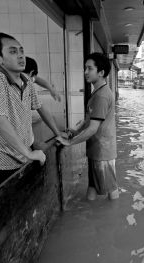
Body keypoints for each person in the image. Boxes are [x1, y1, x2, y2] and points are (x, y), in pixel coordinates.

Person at [0, 32, 66, 189]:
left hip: (24, 153)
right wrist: (29, 154)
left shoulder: (26, 80)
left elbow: (41, 108)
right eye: (13, 52)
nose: (21, 56)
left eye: (21, 51)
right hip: (1, 161)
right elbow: (0, 120)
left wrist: (58, 134)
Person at [56, 53, 118, 200]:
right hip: (96, 149)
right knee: (92, 187)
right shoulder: (97, 93)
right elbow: (89, 121)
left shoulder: (101, 96)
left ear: (101, 73)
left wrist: (70, 142)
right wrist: (76, 131)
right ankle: (91, 215)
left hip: (102, 152)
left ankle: (113, 219)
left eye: (89, 68)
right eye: (85, 68)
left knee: (111, 190)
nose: (85, 72)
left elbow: (92, 128)